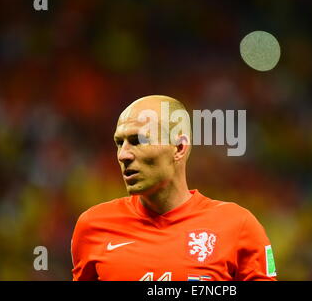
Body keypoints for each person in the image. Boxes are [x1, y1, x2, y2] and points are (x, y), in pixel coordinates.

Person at [71, 95, 277, 281]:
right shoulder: (93, 226)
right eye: (119, 142)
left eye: (138, 141)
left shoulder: (238, 226)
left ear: (179, 147)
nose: (123, 155)